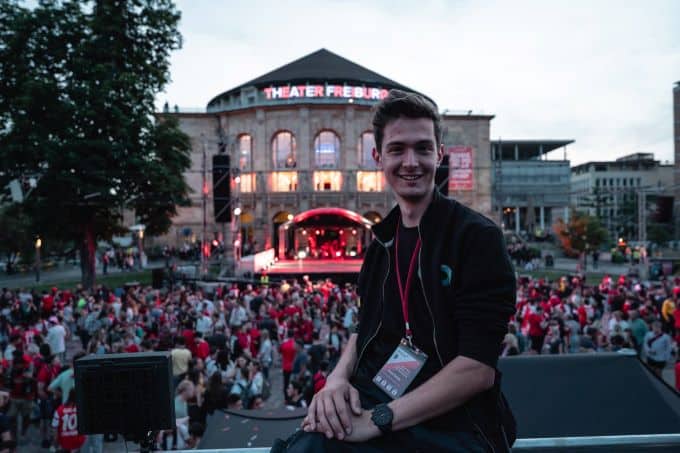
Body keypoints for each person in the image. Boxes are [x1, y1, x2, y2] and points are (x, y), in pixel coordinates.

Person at [283, 90, 516, 452]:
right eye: (397, 149)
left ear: (439, 154)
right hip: (385, 397)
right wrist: (336, 380)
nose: (411, 162)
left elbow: (477, 368)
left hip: (456, 423)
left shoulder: (476, 238)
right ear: (378, 157)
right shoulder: (381, 244)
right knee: (307, 444)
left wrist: (380, 419)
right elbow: (365, 329)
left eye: (423, 148)